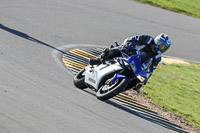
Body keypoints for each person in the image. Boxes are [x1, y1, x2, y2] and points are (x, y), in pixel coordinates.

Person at [89, 33, 172, 93]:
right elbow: (132, 39)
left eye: (164, 48)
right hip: (129, 52)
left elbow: (151, 69)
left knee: (138, 80)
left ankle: (124, 85)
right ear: (157, 41)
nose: (162, 48)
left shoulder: (157, 57)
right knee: (114, 51)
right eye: (161, 45)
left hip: (137, 65)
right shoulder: (148, 39)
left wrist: (145, 79)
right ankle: (98, 59)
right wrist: (128, 46)